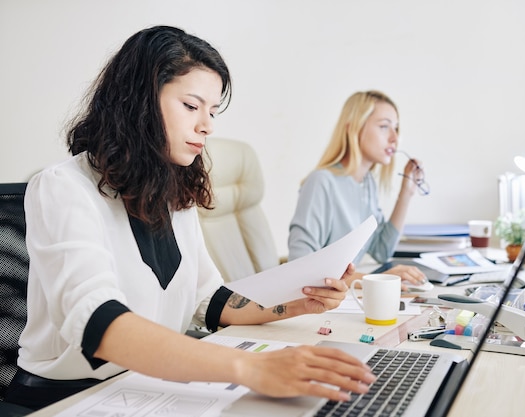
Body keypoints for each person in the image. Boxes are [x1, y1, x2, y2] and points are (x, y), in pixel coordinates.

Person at [5, 26, 375, 411]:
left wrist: (301, 302)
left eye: (212, 111)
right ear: (140, 101)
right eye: (191, 106)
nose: (207, 125)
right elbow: (100, 326)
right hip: (65, 399)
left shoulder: (173, 191)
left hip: (144, 385)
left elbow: (211, 301)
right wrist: (250, 367)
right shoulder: (63, 188)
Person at [288, 90, 427, 289]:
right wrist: (376, 281)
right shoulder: (321, 182)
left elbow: (381, 250)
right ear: (354, 128)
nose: (395, 138)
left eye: (396, 128)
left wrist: (406, 193)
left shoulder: (367, 183)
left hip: (343, 299)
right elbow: (300, 268)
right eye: (384, 126)